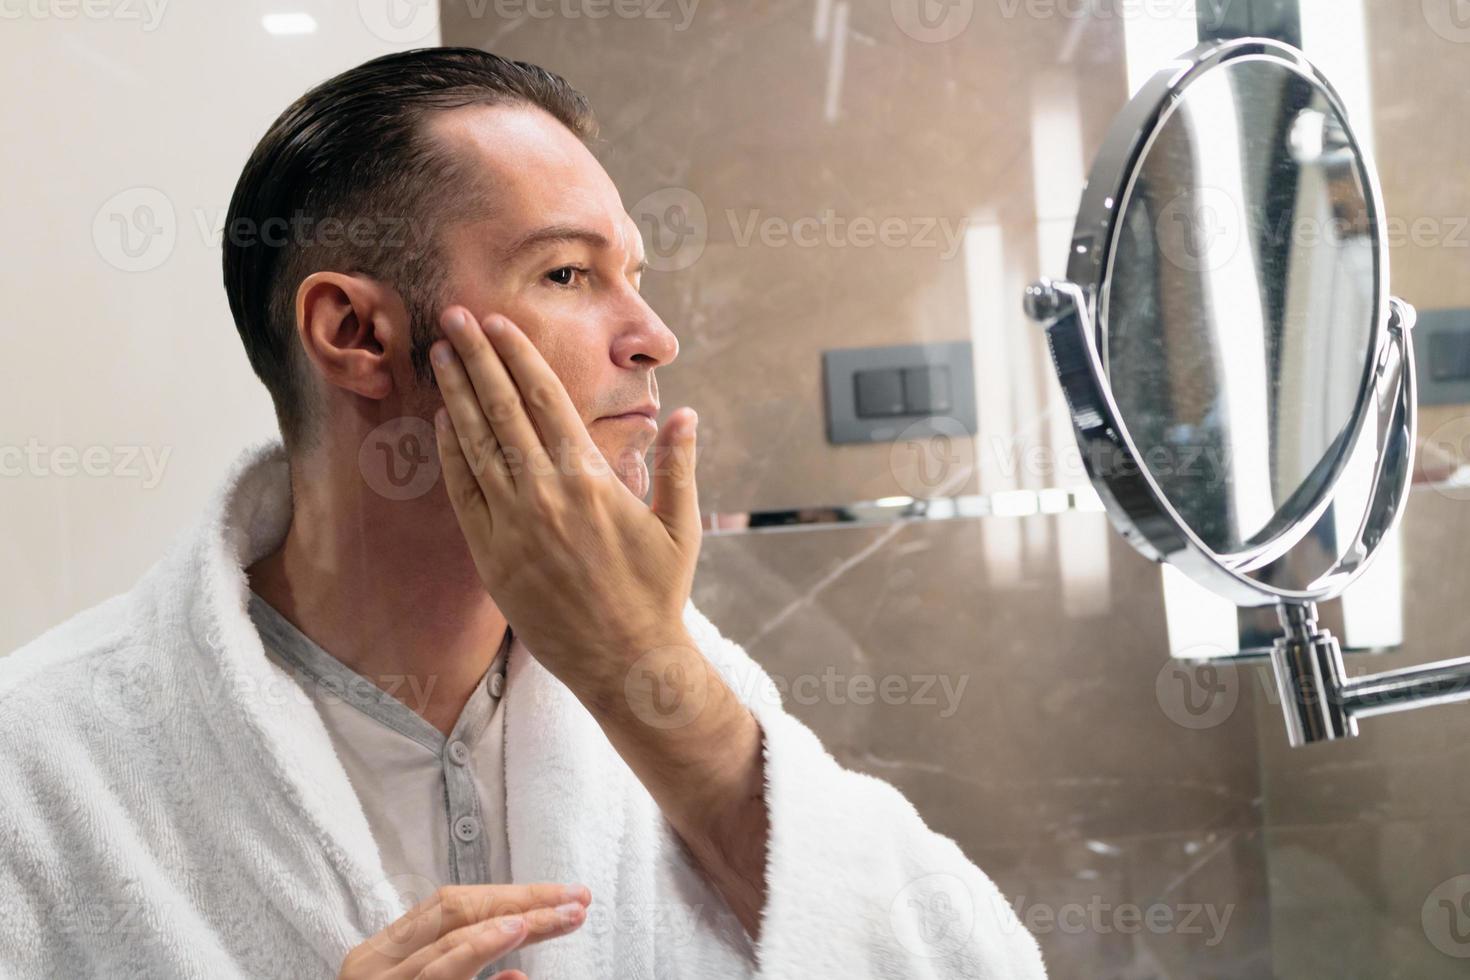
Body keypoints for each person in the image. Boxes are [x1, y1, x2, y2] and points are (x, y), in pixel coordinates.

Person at [0, 47, 1047, 979]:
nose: (652, 336)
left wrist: (650, 677)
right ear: (357, 332)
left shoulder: (687, 684)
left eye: (632, 275)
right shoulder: (44, 765)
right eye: (567, 272)